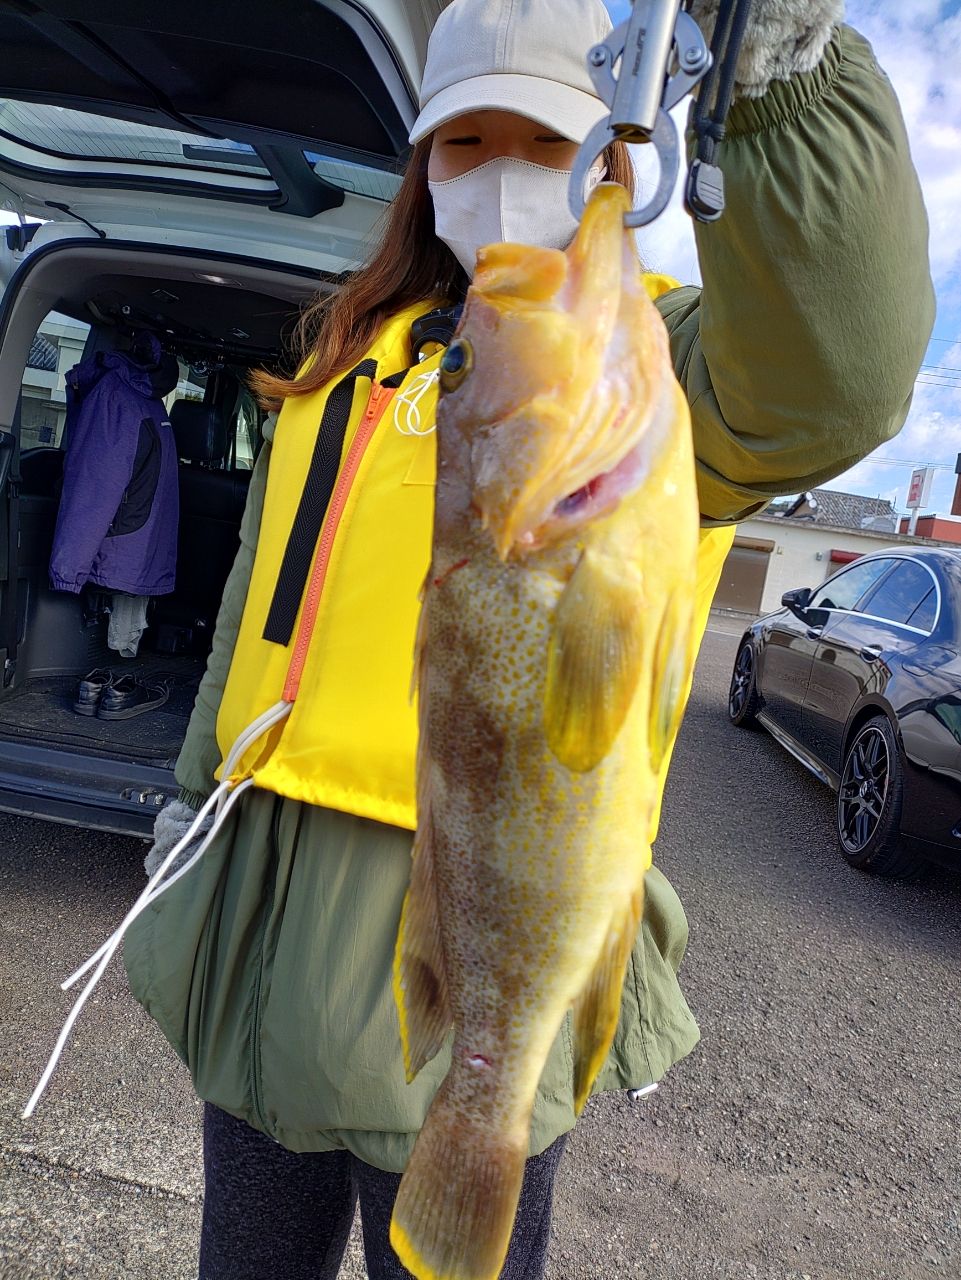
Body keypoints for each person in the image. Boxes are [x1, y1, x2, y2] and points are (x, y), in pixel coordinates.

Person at [124, 0, 934, 1276]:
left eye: (542, 139)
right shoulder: (343, 366)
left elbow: (835, 376)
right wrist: (186, 803)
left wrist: (778, 69)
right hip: (263, 924)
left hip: (481, 925)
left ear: (611, 158)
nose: (499, 173)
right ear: (422, 168)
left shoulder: (660, 378)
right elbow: (251, 618)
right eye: (464, 141)